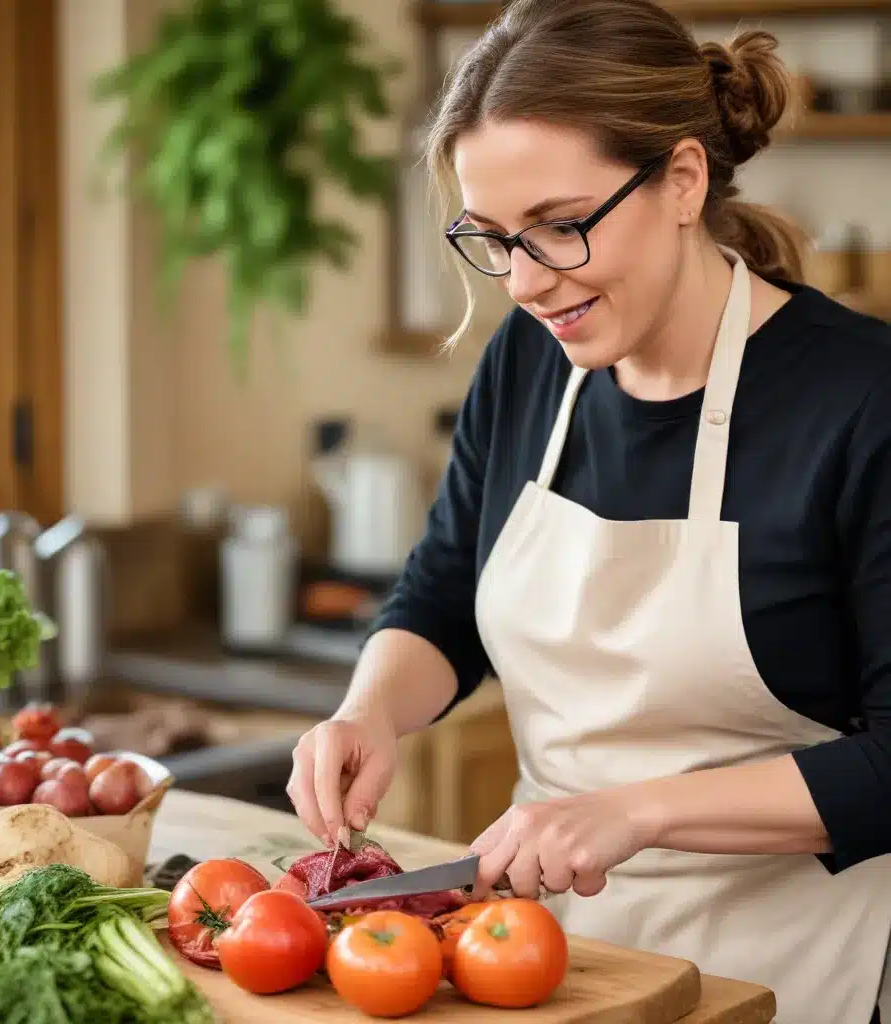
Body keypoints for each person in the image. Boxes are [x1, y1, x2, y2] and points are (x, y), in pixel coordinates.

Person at [285, 0, 891, 1019]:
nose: (523, 283)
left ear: (684, 182)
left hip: (786, 969)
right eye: (493, 238)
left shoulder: (860, 400)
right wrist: (369, 710)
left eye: (561, 228)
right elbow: (441, 595)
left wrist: (639, 811)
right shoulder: (527, 362)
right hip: (543, 959)